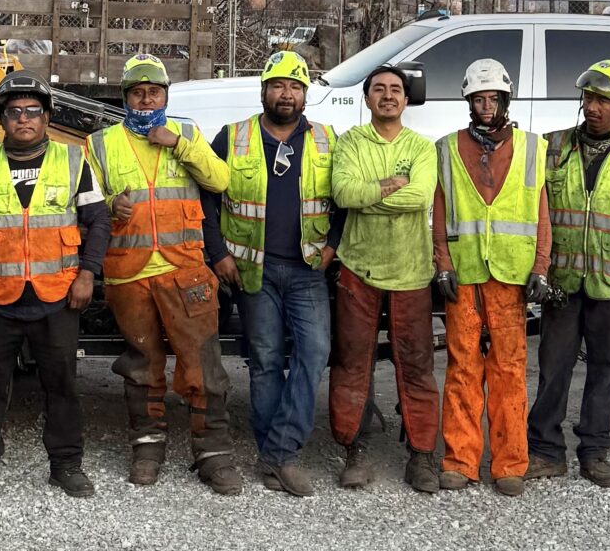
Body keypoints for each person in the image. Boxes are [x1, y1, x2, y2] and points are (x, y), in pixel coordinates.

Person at [0, 74, 109, 505]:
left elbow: (98, 221)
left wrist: (88, 274)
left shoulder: (73, 160)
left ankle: (66, 464)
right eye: (14, 112)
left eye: (33, 111)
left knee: (62, 386)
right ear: (1, 119)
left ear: (47, 117)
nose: (24, 118)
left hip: (56, 295)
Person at [88, 54, 238, 494]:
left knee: (204, 365)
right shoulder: (100, 143)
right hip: (128, 273)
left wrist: (178, 145)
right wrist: (111, 204)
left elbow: (220, 180)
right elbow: (86, 202)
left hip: (185, 270)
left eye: (154, 92)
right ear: (125, 97)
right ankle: (147, 449)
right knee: (141, 366)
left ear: (166, 96)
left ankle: (214, 454)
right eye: (138, 93)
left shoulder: (186, 133)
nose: (146, 99)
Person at [203, 49, 338, 497]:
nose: (286, 94)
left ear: (305, 95)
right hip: (251, 270)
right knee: (265, 361)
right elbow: (207, 200)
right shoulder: (233, 137)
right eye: (278, 85)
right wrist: (218, 254)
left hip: (306, 269)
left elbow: (341, 199)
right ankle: (276, 455)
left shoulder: (326, 139)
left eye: (295, 87)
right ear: (263, 91)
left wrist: (333, 245)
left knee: (315, 351)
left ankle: (278, 451)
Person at [528, 60, 610, 488]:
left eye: (604, 100)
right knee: (554, 366)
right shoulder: (552, 147)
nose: (593, 107)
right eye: (588, 97)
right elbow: (534, 213)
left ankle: (594, 452)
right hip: (562, 280)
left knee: (605, 368)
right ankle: (546, 450)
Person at [432, 59, 550, 497]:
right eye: (478, 99)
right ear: (468, 101)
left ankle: (510, 464)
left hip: (510, 277)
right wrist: (442, 262)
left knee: (508, 370)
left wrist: (541, 267)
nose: (485, 106)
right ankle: (460, 461)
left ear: (505, 100)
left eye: (492, 98)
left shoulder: (532, 148)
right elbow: (439, 211)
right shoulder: (447, 148)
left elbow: (541, 213)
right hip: (463, 275)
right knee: (462, 367)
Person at [327, 66, 442, 494]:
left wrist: (371, 194)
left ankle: (421, 454)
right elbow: (344, 194)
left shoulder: (422, 147)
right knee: (351, 362)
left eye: (396, 89)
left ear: (406, 100)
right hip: (359, 267)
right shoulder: (351, 142)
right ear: (367, 98)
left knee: (416, 366)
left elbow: (420, 196)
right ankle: (353, 449)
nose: (388, 96)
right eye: (379, 89)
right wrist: (393, 186)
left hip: (411, 272)